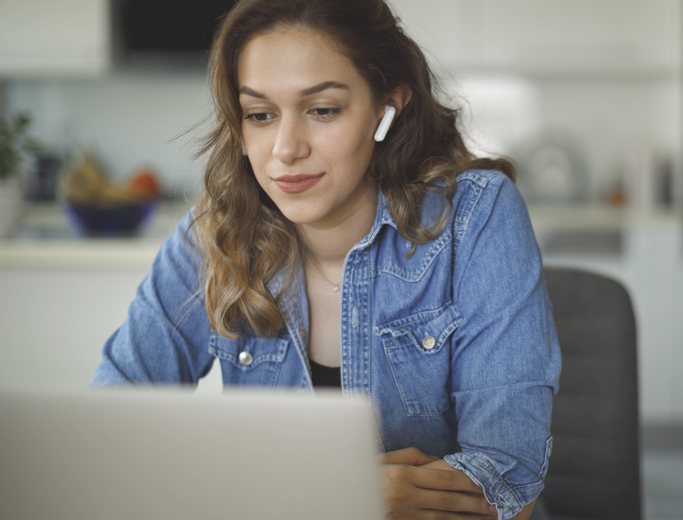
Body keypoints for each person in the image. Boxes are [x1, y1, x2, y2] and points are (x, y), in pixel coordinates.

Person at [91, 0, 561, 518]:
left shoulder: (477, 216)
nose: (285, 149)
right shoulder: (215, 237)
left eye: (322, 110)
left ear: (387, 110)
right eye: (260, 115)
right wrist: (332, 495)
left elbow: (510, 484)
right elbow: (109, 431)